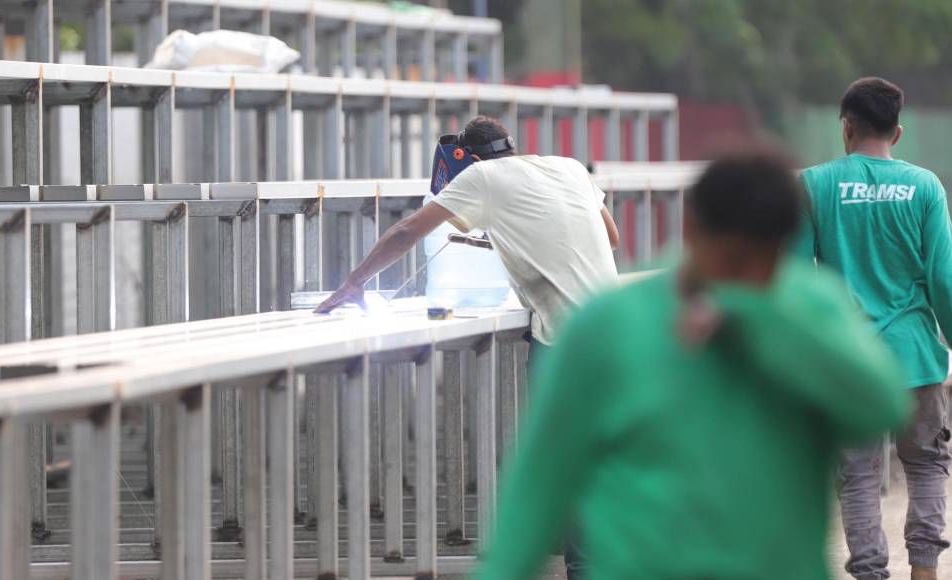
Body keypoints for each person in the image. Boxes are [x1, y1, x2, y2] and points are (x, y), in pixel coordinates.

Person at [474, 149, 910, 580]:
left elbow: (884, 406)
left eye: (765, 265)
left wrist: (761, 317)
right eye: (732, 260)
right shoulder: (610, 325)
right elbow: (540, 482)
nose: (746, 281)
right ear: (689, 230)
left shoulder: (812, 308)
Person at [315, 115, 619, 577]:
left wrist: (355, 282)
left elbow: (405, 233)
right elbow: (610, 239)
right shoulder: (569, 166)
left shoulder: (481, 177)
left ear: (470, 159)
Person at [795, 77, 952, 580]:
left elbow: (797, 282)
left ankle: (869, 573)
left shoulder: (814, 185)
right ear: (898, 133)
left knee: (858, 476)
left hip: (849, 361)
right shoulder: (926, 186)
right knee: (926, 464)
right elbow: (943, 278)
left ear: (845, 127)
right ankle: (925, 572)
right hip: (916, 357)